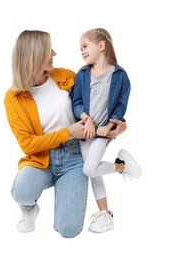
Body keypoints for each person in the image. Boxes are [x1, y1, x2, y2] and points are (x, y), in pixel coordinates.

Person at [4, 30, 127, 238]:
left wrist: (121, 123)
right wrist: (66, 132)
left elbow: (100, 103)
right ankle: (29, 210)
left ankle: (109, 174)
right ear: (33, 56)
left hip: (75, 156)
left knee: (68, 230)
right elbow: (28, 145)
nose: (54, 53)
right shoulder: (13, 98)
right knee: (21, 191)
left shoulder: (67, 76)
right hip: (41, 159)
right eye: (48, 50)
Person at [71, 28, 142, 233]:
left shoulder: (119, 75)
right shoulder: (82, 74)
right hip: (85, 132)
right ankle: (105, 213)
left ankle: (122, 167)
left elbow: (121, 105)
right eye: (80, 49)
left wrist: (109, 126)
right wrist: (86, 119)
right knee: (93, 173)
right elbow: (76, 102)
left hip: (102, 133)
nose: (82, 52)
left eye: (85, 46)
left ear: (101, 46)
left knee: (89, 169)